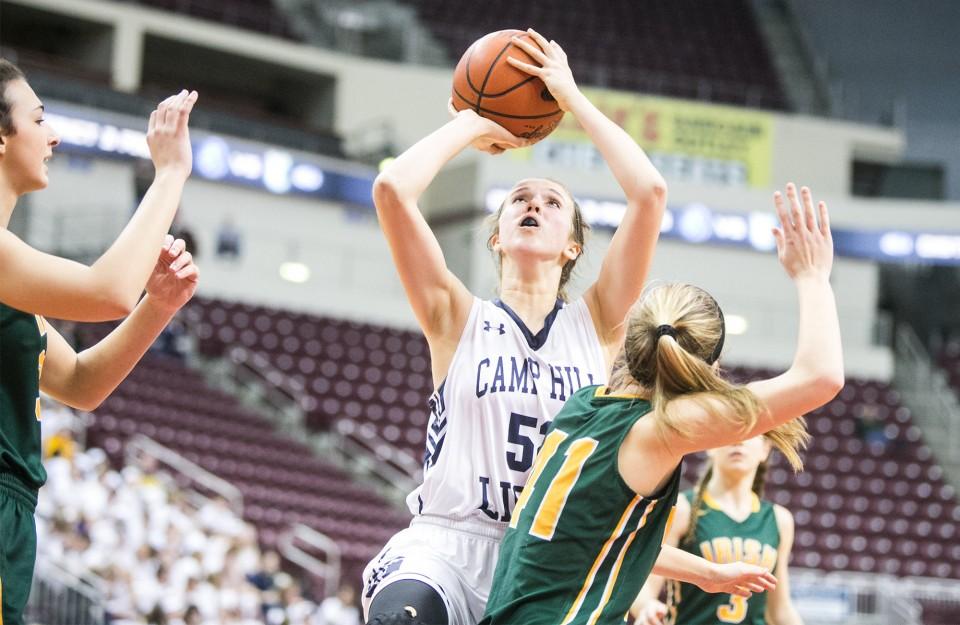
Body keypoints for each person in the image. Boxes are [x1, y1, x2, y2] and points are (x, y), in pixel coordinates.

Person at [361, 27, 669, 625]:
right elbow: (393, 188)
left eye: (553, 203)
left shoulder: (601, 322)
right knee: (405, 616)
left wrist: (571, 97)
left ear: (575, 247)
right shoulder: (455, 315)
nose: (534, 204)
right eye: (519, 199)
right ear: (497, 235)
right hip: (444, 548)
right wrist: (478, 121)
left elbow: (649, 192)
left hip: (542, 562)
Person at [480, 183, 843, 625]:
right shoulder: (659, 431)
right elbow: (821, 377)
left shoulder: (583, 406)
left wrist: (707, 573)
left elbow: (594, 538)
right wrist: (813, 277)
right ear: (710, 365)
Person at [0, 58, 199, 624]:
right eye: (38, 119)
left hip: (13, 512)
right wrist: (168, 175)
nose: (53, 135)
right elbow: (107, 291)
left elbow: (81, 383)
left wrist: (158, 305)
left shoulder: (11, 274)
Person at [630, 436, 805, 625]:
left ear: (765, 449)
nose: (739, 441)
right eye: (735, 431)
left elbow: (779, 610)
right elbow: (645, 583)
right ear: (710, 446)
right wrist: (647, 607)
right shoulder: (682, 509)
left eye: (752, 433)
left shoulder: (779, 519)